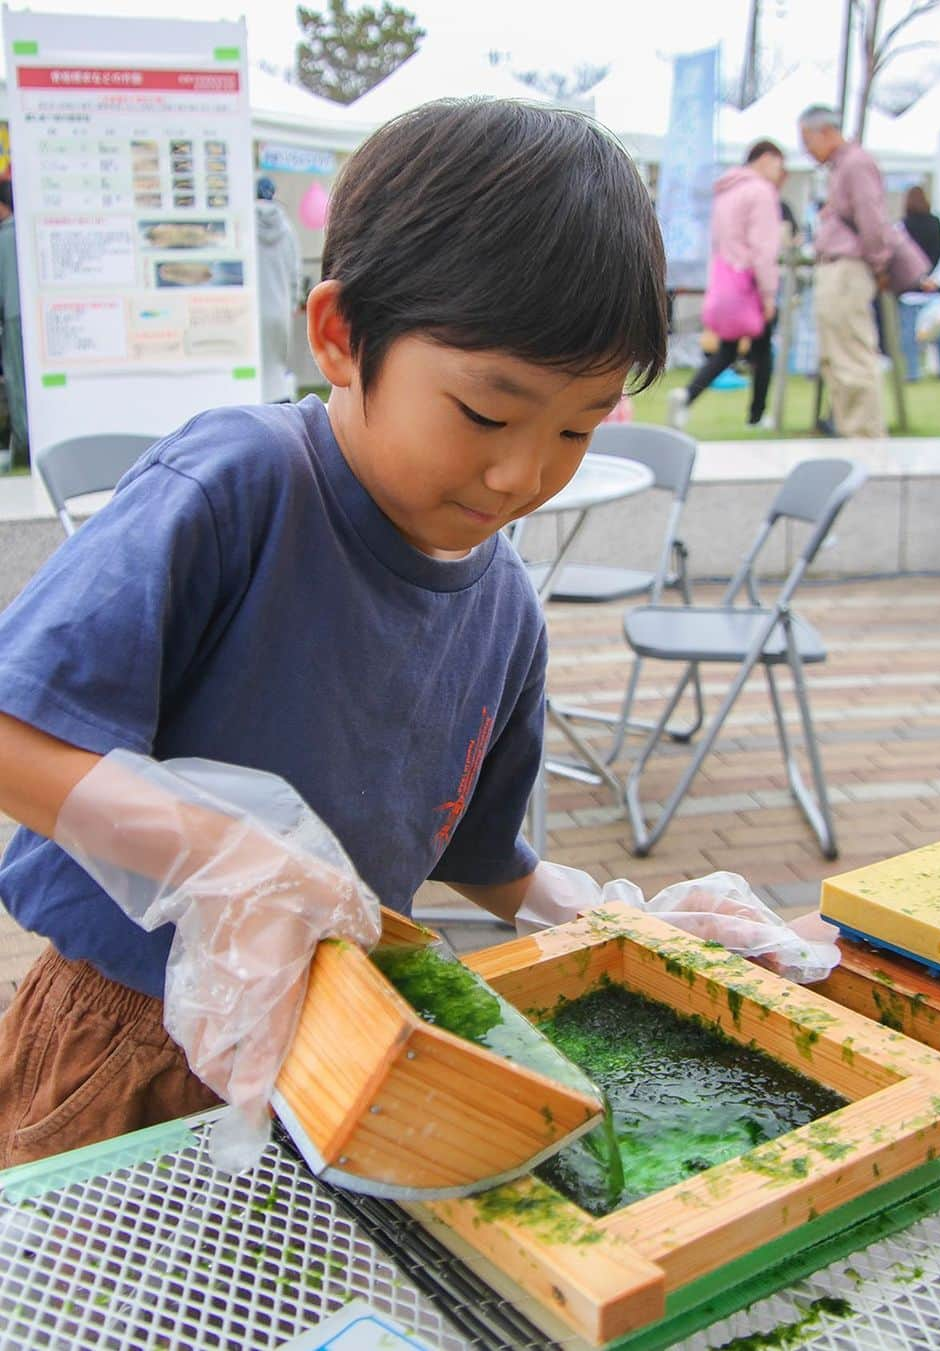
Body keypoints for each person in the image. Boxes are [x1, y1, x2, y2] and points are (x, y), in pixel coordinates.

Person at [0, 99, 670, 1168]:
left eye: (577, 427)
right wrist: (211, 847)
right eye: (488, 415)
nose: (523, 474)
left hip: (343, 1051)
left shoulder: (503, 610)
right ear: (340, 337)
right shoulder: (240, 486)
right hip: (125, 1036)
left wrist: (598, 913)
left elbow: (483, 856)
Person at [668, 139, 785, 432]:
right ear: (767, 158)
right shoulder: (760, 192)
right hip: (750, 284)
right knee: (762, 352)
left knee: (728, 351)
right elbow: (763, 247)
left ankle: (687, 394)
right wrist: (769, 294)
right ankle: (756, 417)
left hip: (725, 281)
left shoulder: (726, 191)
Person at [798, 105, 890, 439]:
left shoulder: (856, 164)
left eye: (807, 139)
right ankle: (851, 433)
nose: (806, 149)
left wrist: (879, 263)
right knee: (836, 359)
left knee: (852, 357)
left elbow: (872, 219)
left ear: (825, 131)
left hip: (847, 270)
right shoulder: (841, 167)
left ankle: (865, 440)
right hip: (835, 270)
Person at [255, 175, 302, 402]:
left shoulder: (246, 229)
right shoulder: (287, 229)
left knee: (255, 370)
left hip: (253, 309)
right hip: (280, 309)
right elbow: (296, 273)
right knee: (277, 366)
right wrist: (292, 304)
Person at [898, 185, 940, 382]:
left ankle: (912, 371)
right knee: (937, 330)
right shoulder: (938, 223)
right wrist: (936, 278)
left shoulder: (902, 226)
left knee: (909, 333)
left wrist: (916, 278)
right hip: (934, 285)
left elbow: (901, 256)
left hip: (911, 287)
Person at [0, 179, 29, 469]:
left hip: (14, 318)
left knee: (20, 391)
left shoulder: (6, 236)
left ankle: (24, 449)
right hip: (32, 318)